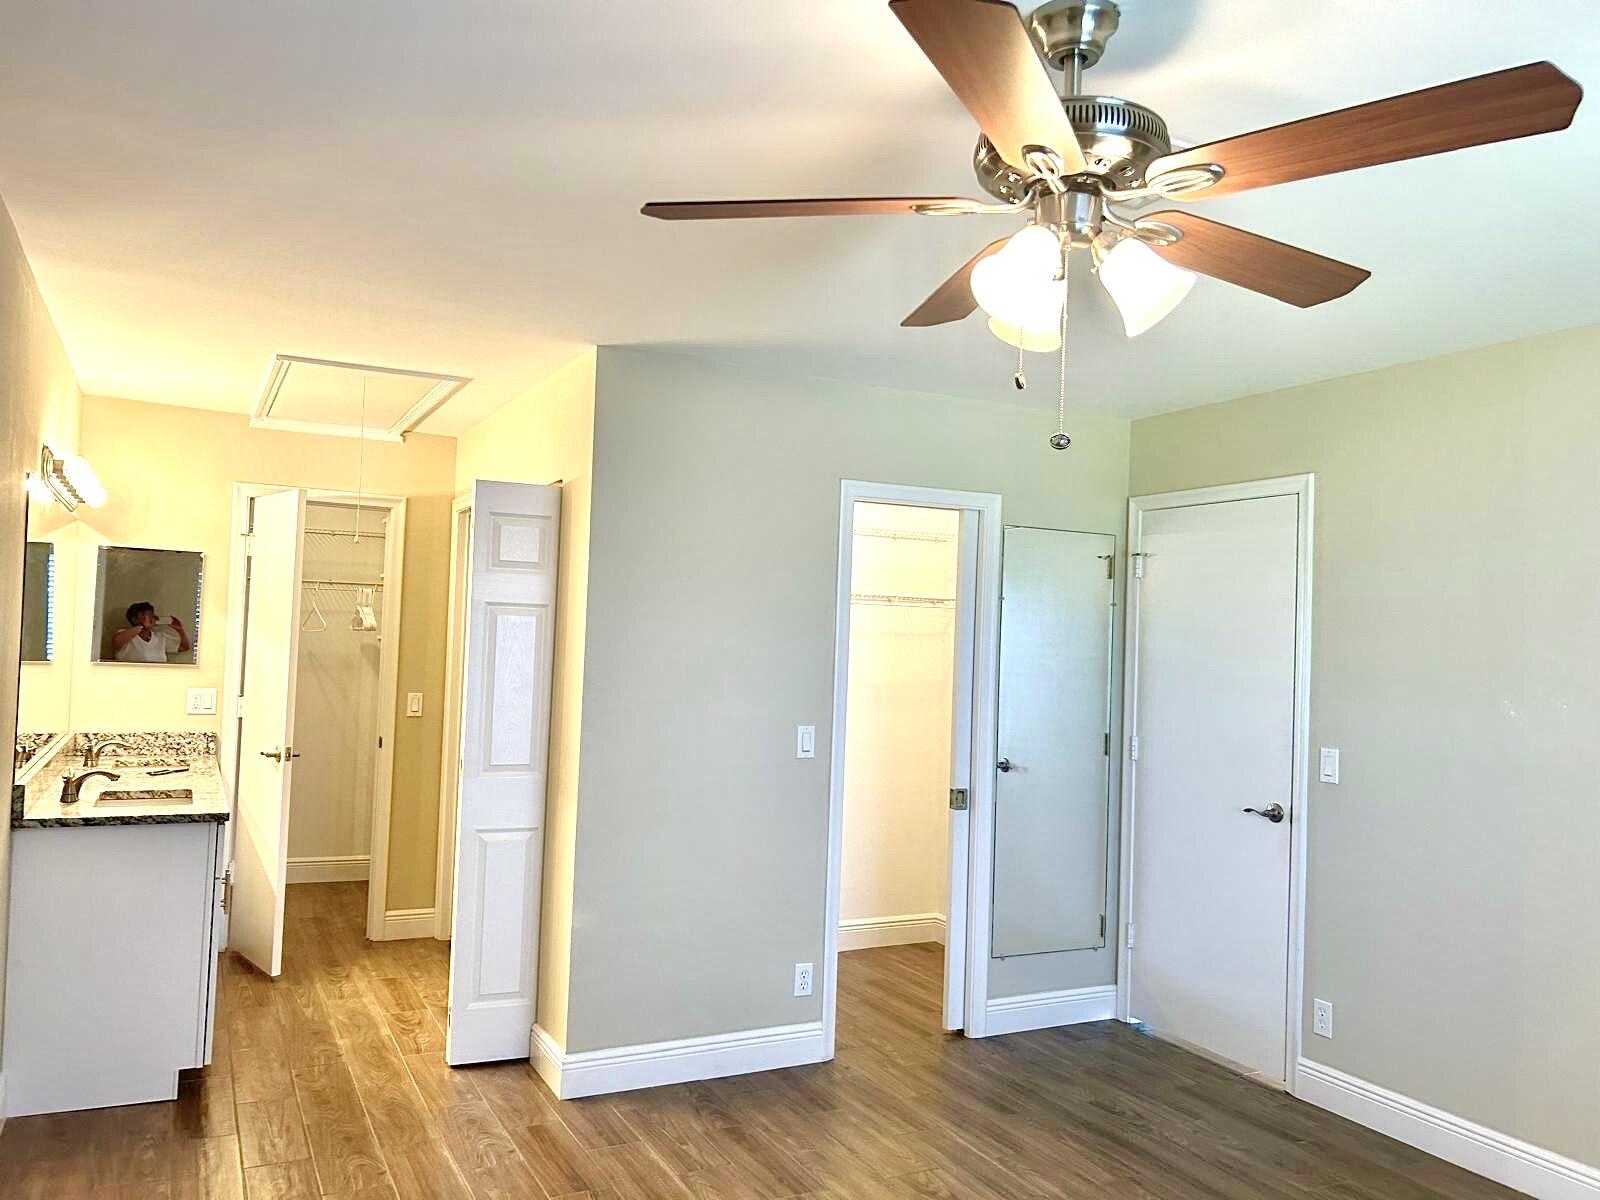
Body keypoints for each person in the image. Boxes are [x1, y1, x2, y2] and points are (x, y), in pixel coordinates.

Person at [112, 602, 190, 663]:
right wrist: (143, 626)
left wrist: (180, 630)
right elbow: (116, 642)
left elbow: (184, 647)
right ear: (134, 619)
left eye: (151, 614)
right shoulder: (124, 634)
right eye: (144, 615)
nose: (150, 618)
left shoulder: (160, 637)